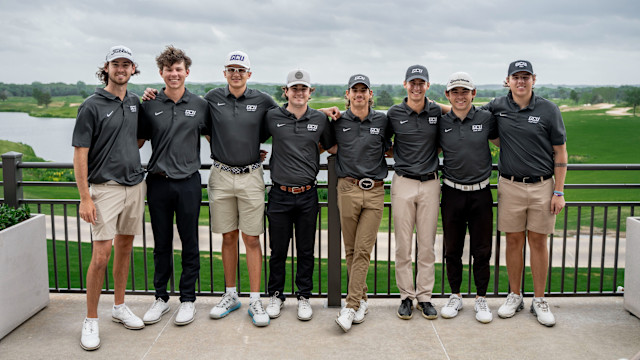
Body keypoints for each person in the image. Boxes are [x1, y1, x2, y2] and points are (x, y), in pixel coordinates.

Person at [143, 51, 338, 328]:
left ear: (249, 74)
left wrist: (325, 112)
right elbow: (206, 126)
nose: (236, 74)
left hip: (251, 176)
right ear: (225, 73)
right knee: (228, 237)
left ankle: (256, 299)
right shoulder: (210, 98)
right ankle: (231, 295)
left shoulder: (263, 101)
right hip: (221, 175)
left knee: (252, 239)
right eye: (231, 69)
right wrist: (152, 93)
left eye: (241, 70)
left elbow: (292, 110)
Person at [482, 60, 567, 327]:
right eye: (516, 77)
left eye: (525, 77)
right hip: (509, 184)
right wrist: (435, 106)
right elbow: (466, 112)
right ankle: (515, 295)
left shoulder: (548, 109)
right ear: (507, 80)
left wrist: (559, 191)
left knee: (539, 243)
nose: (521, 81)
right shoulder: (497, 106)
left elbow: (561, 152)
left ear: (533, 80)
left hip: (543, 185)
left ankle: (539, 300)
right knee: (514, 241)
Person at [73, 45, 146, 351]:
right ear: (106, 67)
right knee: (101, 255)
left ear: (133, 70)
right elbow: (80, 153)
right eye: (116, 64)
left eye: (126, 64)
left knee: (125, 249)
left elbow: (137, 138)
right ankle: (91, 320)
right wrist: (85, 197)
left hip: (134, 186)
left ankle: (118, 306)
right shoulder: (91, 105)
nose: (121, 68)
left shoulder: (133, 102)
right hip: (104, 189)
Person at [138, 46, 209, 327]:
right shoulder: (150, 104)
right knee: (161, 244)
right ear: (161, 73)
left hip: (189, 183)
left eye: (178, 69)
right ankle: (161, 299)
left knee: (190, 243)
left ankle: (188, 300)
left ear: (186, 72)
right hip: (157, 182)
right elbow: (136, 141)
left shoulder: (200, 105)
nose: (174, 74)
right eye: (169, 70)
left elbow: (219, 137)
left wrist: (253, 153)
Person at [263, 69, 334, 321]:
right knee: (278, 250)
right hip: (280, 194)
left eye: (303, 89)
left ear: (309, 93)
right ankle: (276, 295)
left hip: (307, 194)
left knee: (306, 250)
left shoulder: (320, 119)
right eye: (294, 88)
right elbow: (252, 135)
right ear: (286, 92)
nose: (299, 93)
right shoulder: (272, 116)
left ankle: (304, 296)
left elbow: (331, 145)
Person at [438, 72, 499, 324]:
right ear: (448, 95)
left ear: (473, 93)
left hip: (481, 193)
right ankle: (455, 295)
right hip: (451, 193)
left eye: (465, 91)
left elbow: (504, 141)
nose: (460, 96)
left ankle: (481, 299)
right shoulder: (440, 121)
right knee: (452, 249)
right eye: (455, 92)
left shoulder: (486, 118)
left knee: (482, 249)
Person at [332, 74, 389, 332]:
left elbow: (389, 148)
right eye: (354, 90)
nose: (359, 94)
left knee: (364, 249)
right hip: (347, 188)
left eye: (363, 90)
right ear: (347, 94)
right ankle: (363, 300)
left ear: (370, 94)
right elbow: (327, 146)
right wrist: (325, 110)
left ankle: (351, 306)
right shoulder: (338, 121)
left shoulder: (382, 120)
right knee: (352, 250)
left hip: (375, 191)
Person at [385, 65, 442, 320]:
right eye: (412, 83)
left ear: (427, 85)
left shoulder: (437, 111)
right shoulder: (394, 113)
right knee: (403, 245)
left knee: (427, 244)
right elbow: (385, 145)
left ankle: (425, 297)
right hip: (403, 181)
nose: (417, 87)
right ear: (405, 84)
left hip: (430, 183)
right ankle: (406, 296)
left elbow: (444, 139)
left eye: (421, 83)